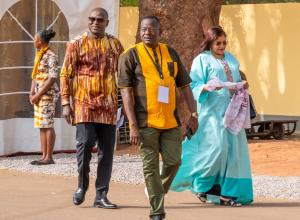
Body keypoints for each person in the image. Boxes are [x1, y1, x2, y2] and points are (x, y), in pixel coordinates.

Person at [117, 15, 198, 220]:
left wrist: (194, 114)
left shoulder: (169, 52)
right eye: (143, 29)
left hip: (170, 120)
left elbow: (184, 85)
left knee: (174, 161)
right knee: (150, 166)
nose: (147, 32)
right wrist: (133, 125)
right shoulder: (130, 55)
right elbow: (126, 93)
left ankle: (156, 188)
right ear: (139, 32)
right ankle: (157, 211)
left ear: (159, 31)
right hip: (145, 122)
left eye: (152, 29)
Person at [170, 26, 254, 206]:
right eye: (218, 43)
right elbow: (193, 85)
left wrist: (242, 84)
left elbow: (236, 79)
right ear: (209, 43)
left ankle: (228, 193)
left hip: (232, 112)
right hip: (212, 113)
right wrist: (206, 87)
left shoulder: (231, 58)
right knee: (216, 150)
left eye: (224, 43)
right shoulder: (202, 59)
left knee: (233, 153)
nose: (222, 46)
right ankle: (202, 184)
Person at [60, 8, 123, 209]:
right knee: (85, 145)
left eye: (100, 20)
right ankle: (81, 186)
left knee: (106, 153)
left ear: (107, 22)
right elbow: (65, 74)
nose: (95, 22)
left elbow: (123, 74)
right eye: (92, 19)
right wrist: (65, 104)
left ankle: (101, 195)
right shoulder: (76, 44)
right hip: (83, 104)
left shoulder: (115, 45)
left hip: (109, 106)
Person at [29, 29, 58, 165]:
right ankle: (43, 156)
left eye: (35, 38)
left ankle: (49, 157)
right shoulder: (39, 55)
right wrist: (31, 93)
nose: (34, 41)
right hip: (38, 95)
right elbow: (34, 76)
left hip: (47, 94)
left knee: (48, 124)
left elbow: (52, 78)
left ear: (40, 41)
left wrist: (38, 94)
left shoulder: (51, 56)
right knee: (41, 125)